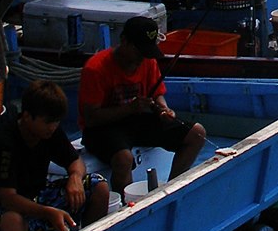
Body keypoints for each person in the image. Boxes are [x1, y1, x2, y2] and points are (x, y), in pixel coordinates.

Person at [79, 14, 206, 193]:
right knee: (124, 158)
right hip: (103, 128)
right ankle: (125, 207)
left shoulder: (148, 61)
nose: (142, 58)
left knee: (197, 134)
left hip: (137, 120)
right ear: (124, 41)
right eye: (139, 51)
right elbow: (91, 118)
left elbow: (157, 94)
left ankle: (171, 189)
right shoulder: (96, 68)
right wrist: (129, 108)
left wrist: (164, 109)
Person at [0, 80, 109, 231]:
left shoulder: (51, 132)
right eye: (47, 122)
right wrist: (47, 213)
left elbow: (74, 161)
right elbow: (8, 198)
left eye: (56, 122)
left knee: (99, 187)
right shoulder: (3, 143)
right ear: (27, 116)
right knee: (12, 222)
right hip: (1, 209)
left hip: (37, 198)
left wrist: (75, 178)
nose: (52, 127)